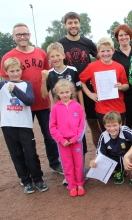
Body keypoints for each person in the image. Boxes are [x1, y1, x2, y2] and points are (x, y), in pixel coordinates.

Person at [0, 23, 62, 174]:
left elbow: (48, 75)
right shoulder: (8, 57)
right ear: (13, 36)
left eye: (25, 34)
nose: (22, 37)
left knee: (50, 136)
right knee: (24, 141)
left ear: (29, 35)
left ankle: (54, 163)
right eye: (19, 34)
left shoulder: (40, 53)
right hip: (20, 106)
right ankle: (29, 171)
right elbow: (4, 82)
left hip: (43, 102)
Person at [0, 58, 48, 194]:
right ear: (6, 72)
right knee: (16, 154)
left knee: (31, 153)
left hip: (24, 125)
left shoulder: (26, 85)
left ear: (21, 70)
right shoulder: (2, 85)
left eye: (17, 70)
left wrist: (15, 89)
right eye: (11, 71)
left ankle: (38, 179)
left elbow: (29, 101)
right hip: (8, 125)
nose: (15, 73)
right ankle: (26, 181)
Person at [58, 12, 101, 149]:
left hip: (88, 88)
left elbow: (101, 59)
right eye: (70, 23)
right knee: (72, 125)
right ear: (65, 25)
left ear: (79, 24)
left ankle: (100, 152)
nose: (73, 25)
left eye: (75, 22)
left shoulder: (87, 43)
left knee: (94, 123)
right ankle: (78, 156)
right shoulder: (60, 44)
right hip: (69, 90)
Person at [79, 37, 129, 132]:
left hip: (119, 107)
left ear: (113, 51)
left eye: (108, 51)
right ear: (98, 51)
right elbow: (81, 81)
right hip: (102, 109)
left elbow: (126, 85)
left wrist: (121, 86)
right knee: (107, 135)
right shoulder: (92, 67)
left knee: (120, 135)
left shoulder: (119, 67)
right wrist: (90, 94)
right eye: (102, 51)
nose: (105, 54)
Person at [89, 111, 132, 192]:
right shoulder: (103, 136)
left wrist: (126, 156)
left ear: (120, 124)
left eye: (114, 125)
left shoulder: (125, 130)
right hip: (114, 160)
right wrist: (93, 161)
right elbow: (99, 154)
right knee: (99, 161)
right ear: (104, 126)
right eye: (108, 126)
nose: (112, 129)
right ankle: (119, 171)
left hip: (127, 158)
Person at [49, 79, 86, 197]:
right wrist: (62, 140)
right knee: (67, 164)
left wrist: (76, 138)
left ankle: (80, 184)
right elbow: (52, 127)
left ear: (71, 92)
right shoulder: (55, 108)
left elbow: (82, 124)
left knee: (79, 163)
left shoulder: (77, 106)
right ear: (57, 94)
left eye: (67, 92)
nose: (64, 95)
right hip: (63, 142)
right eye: (62, 93)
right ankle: (72, 185)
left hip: (76, 141)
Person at [112, 24, 132, 135]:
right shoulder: (114, 55)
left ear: (130, 36)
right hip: (123, 95)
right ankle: (126, 149)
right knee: (125, 125)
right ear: (117, 38)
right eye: (121, 35)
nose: (124, 37)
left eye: (126, 34)